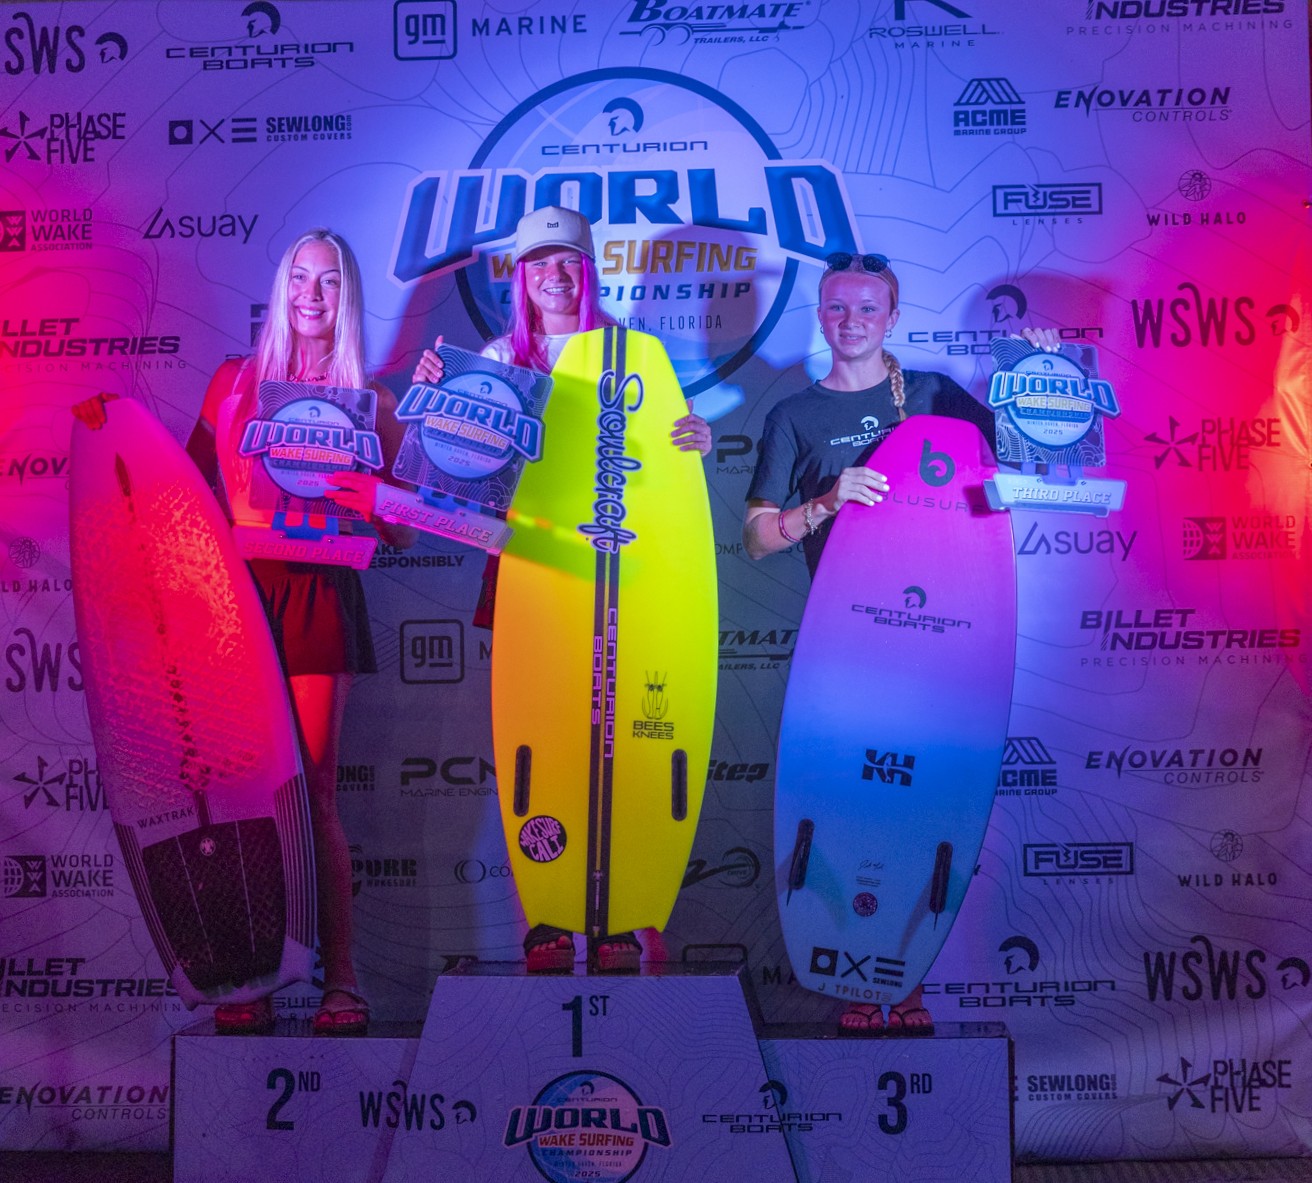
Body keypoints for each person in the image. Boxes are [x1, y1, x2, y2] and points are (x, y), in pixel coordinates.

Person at [743, 250, 1054, 1033]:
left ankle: (906, 976)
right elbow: (755, 540)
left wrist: (1044, 381)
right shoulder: (792, 417)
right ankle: (857, 968)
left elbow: (1018, 459)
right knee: (849, 811)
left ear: (892, 316)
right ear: (821, 314)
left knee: (921, 813)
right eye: (837, 308)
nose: (851, 321)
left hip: (940, 649)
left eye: (867, 309)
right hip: (846, 653)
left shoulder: (934, 395)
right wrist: (826, 500)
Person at [412, 205, 711, 974]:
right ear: (520, 275)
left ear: (590, 270)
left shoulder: (629, 359)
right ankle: (547, 912)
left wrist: (690, 440)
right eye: (540, 261)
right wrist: (438, 403)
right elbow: (459, 482)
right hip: (532, 576)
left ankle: (614, 915)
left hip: (620, 585)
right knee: (542, 742)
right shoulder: (496, 356)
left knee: (614, 743)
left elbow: (660, 473)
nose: (555, 273)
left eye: (569, 260)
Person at [186, 228, 415, 1035]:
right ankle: (246, 972)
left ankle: (340, 979)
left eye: (329, 283)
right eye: (300, 279)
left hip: (321, 597)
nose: (312, 295)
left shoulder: (370, 400)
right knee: (244, 794)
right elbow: (191, 498)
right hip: (240, 597)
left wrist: (367, 493)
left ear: (347, 299)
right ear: (282, 290)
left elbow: (403, 534)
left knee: (313, 793)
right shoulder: (232, 382)